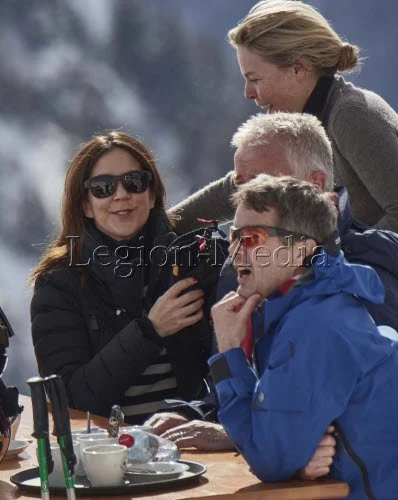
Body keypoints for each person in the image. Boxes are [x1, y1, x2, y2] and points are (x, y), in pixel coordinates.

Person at [151, 113, 398, 460]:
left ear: (315, 184)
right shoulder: (242, 266)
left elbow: (358, 415)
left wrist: (240, 433)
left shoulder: (366, 270)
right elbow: (241, 385)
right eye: (240, 182)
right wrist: (194, 416)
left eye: (263, 180)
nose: (247, 194)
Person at [209, 174, 398, 499]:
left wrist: (228, 353)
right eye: (232, 236)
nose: (235, 251)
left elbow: (270, 457)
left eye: (251, 238)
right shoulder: (304, 307)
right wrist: (295, 461)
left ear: (301, 249)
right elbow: (278, 446)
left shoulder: (316, 325)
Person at [30, 131, 212, 424]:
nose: (121, 194)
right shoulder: (59, 283)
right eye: (103, 187)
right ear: (85, 205)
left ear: (152, 195)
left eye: (135, 182)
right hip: (106, 456)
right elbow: (71, 400)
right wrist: (150, 331)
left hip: (189, 447)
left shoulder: (186, 260)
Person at [170, 0, 398, 231]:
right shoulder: (306, 121)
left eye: (255, 79)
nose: (248, 93)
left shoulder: (351, 116)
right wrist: (158, 229)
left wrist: (335, 261)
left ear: (298, 69)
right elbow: (244, 182)